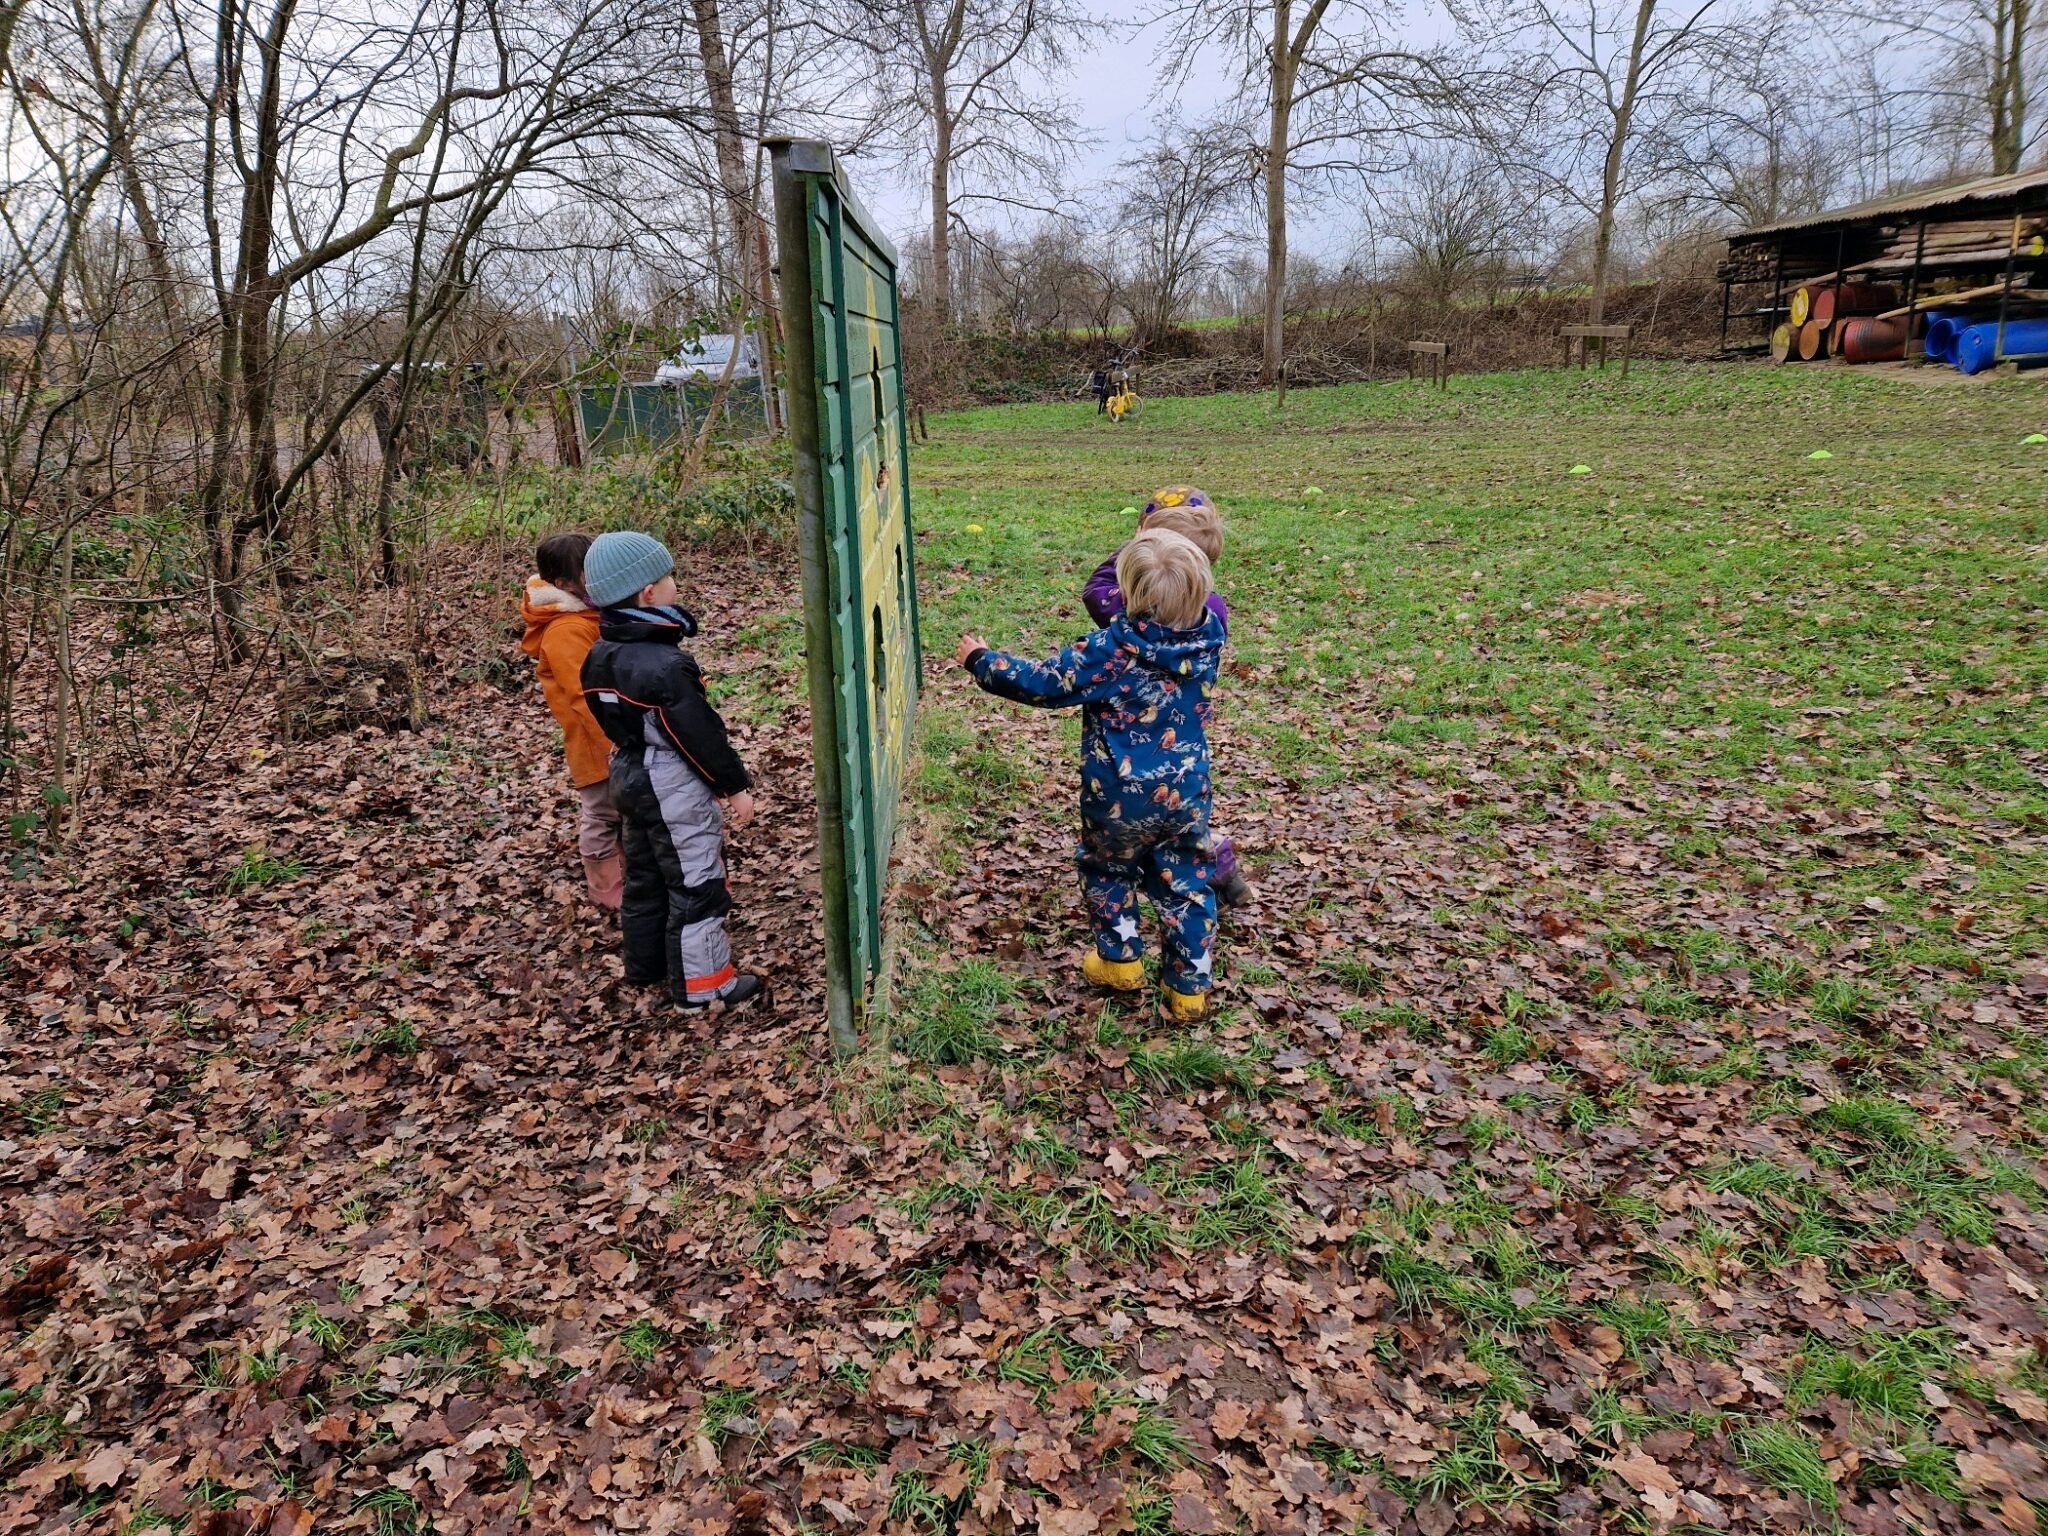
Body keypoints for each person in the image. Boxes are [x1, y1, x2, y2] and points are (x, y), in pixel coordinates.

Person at [957, 527, 1225, 1022]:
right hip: (1188, 790)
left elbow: (1045, 684)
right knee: (1186, 882)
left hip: (1119, 796)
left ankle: (1120, 963)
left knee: (1108, 870)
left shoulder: (1111, 650)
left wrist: (982, 661)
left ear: (1128, 591)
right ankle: (1189, 990)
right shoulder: (1209, 641)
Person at [579, 531, 763, 1010]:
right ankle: (704, 989)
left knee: (645, 876)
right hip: (670, 785)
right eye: (669, 578)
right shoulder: (666, 665)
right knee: (697, 883)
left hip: (625, 773)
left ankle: (647, 967)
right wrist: (734, 786)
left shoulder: (598, 654)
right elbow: (699, 734)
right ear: (648, 593)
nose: (675, 586)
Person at [1079, 486, 1249, 907]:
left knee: (1145, 816)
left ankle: (1211, 860)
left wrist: (1135, 549)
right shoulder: (1211, 610)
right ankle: (1215, 863)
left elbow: (1096, 592)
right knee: (1178, 817)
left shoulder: (1137, 604)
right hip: (1183, 732)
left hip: (1133, 736)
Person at [519, 532, 622, 911]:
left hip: (613, 735)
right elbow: (584, 695)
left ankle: (630, 874)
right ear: (563, 583)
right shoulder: (566, 630)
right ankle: (606, 888)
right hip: (595, 742)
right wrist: (616, 742)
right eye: (588, 571)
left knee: (624, 809)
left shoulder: (589, 613)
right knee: (602, 813)